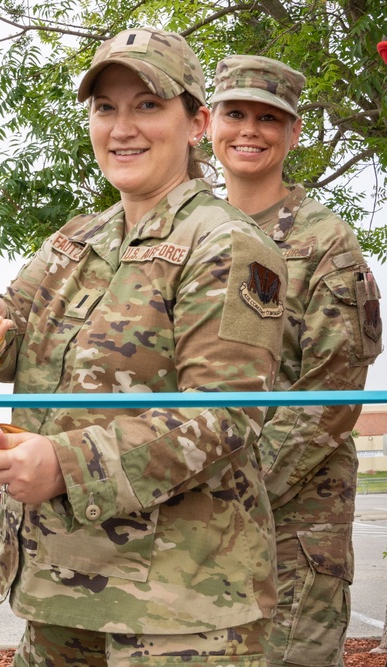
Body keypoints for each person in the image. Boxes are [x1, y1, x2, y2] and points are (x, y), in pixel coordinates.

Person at [0, 28, 288, 665]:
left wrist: (65, 464)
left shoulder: (226, 244)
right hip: (59, 595)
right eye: (106, 108)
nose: (122, 127)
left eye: (148, 105)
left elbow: (224, 412)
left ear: (197, 122)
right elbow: (10, 333)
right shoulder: (75, 241)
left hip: (177, 612)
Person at [208, 54, 383, 667]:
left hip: (291, 522)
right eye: (236, 113)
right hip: (194, 514)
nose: (249, 131)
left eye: (269, 118)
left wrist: (236, 491)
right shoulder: (191, 231)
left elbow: (332, 392)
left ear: (294, 133)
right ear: (209, 123)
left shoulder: (325, 241)